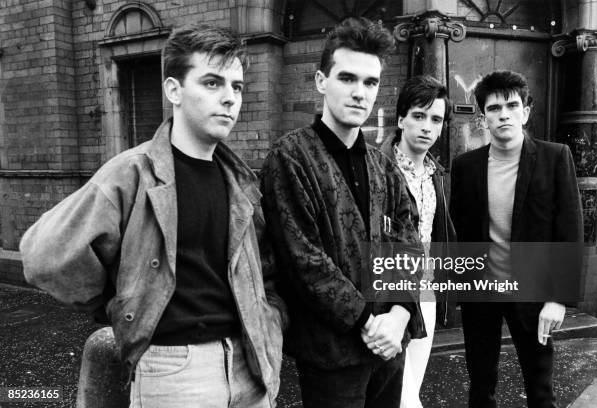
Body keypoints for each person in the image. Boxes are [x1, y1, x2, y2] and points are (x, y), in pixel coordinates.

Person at [20, 23, 286, 408]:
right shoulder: (133, 172)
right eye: (212, 83)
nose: (230, 98)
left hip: (251, 365)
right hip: (174, 370)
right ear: (174, 90)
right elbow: (44, 254)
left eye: (237, 86)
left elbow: (264, 267)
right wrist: (121, 300)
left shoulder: (239, 179)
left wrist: (272, 319)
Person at [260, 17, 425, 408]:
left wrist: (401, 314)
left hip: (388, 349)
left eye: (370, 83)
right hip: (332, 353)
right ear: (321, 81)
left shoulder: (382, 165)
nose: (360, 93)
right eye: (347, 78)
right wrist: (369, 322)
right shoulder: (290, 157)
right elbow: (303, 259)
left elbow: (410, 241)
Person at [450, 70, 583, 408]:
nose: (504, 114)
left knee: (540, 390)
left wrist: (558, 298)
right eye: (494, 108)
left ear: (525, 111)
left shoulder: (555, 157)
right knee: (481, 388)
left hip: (534, 291)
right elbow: (459, 231)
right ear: (484, 118)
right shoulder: (466, 166)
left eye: (512, 105)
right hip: (481, 291)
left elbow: (569, 230)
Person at [381, 75, 456, 408]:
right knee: (402, 393)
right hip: (387, 294)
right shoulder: (377, 168)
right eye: (418, 116)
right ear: (401, 120)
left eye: (435, 119)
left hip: (425, 291)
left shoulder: (436, 174)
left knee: (412, 382)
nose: (427, 126)